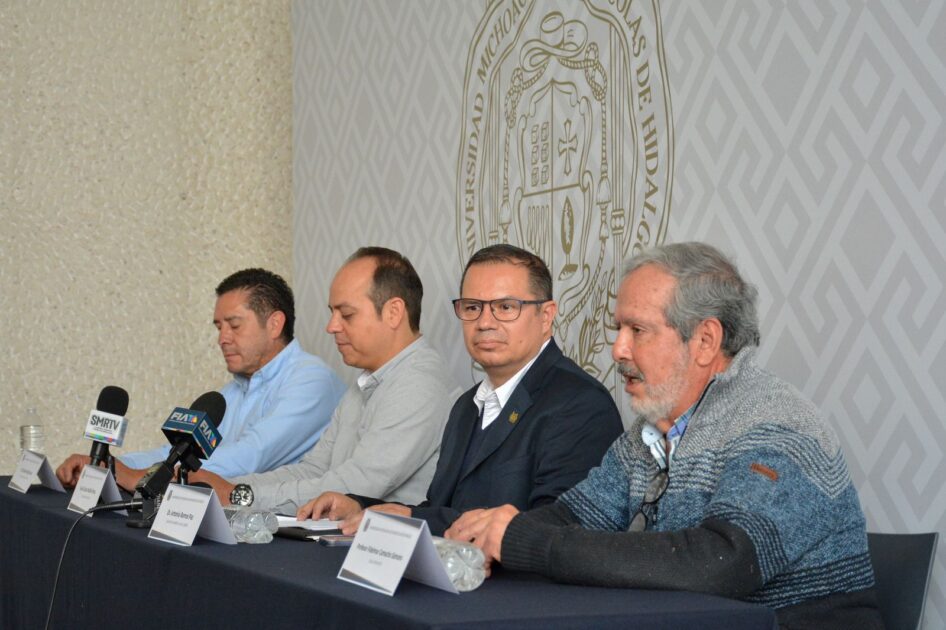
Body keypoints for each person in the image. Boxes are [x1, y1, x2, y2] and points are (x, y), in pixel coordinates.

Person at [446, 242, 882, 628]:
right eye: (619, 330)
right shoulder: (648, 432)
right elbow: (573, 517)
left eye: (637, 331)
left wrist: (527, 540)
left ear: (705, 340)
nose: (618, 349)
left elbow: (721, 562)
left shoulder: (776, 422)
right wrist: (492, 532)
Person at [299, 244, 623, 535]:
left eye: (505, 307)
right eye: (472, 308)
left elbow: (555, 531)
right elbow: (440, 509)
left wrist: (413, 518)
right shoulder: (467, 405)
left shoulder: (579, 404)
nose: (485, 322)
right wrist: (361, 507)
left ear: (546, 316)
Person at [189, 247, 455, 514]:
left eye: (346, 314)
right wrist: (228, 487)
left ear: (393, 312)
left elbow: (355, 486)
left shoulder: (418, 382)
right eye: (332, 313)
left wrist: (238, 495)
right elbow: (314, 470)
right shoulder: (364, 384)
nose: (332, 326)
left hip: (378, 540)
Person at [56, 268, 345, 491]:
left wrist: (146, 476)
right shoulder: (232, 391)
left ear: (274, 324)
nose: (222, 339)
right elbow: (179, 452)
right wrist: (108, 463)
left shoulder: (312, 380)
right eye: (219, 327)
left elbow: (251, 457)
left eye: (234, 326)